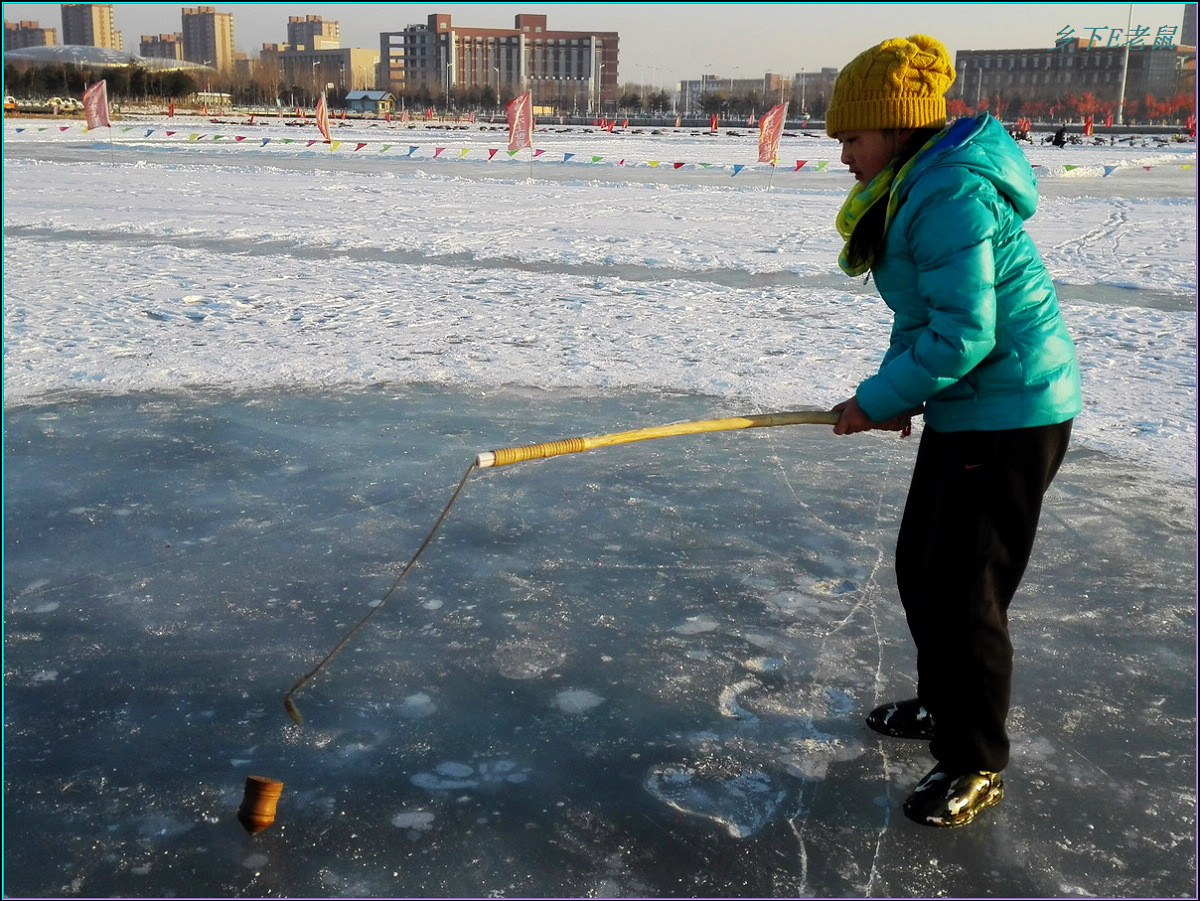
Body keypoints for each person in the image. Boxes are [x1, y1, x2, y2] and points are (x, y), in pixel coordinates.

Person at [824, 35, 1083, 827]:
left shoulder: (949, 194)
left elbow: (966, 330)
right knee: (920, 568)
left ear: (896, 128)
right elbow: (923, 316)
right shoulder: (919, 185)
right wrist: (895, 393)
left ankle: (975, 760)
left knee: (964, 592)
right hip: (970, 406)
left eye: (852, 138)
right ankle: (942, 705)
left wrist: (877, 399)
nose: (843, 157)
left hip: (1012, 411)